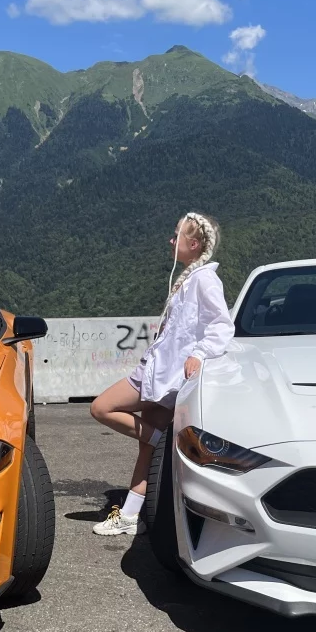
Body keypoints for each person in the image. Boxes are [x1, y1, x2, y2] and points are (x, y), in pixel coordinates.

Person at [89, 212, 235, 536]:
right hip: (160, 373)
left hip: (167, 377)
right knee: (146, 447)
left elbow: (222, 325)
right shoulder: (190, 279)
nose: (171, 240)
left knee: (101, 407)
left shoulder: (204, 280)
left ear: (193, 244)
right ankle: (130, 515)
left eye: (177, 235)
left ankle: (162, 441)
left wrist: (199, 354)